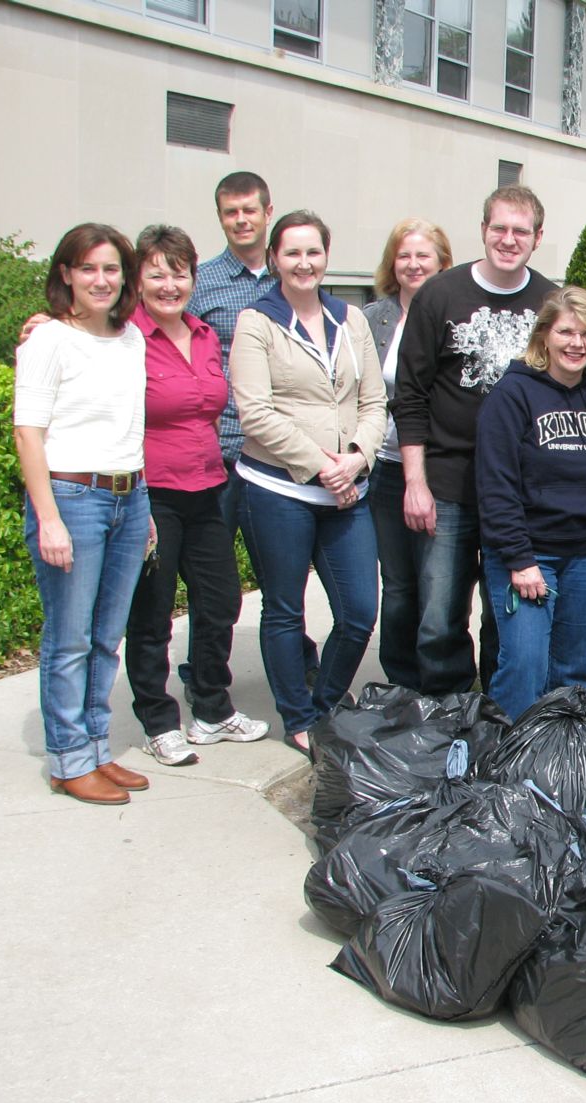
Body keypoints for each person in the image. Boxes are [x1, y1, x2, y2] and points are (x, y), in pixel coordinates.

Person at [229, 211, 386, 755]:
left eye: (313, 252)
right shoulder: (257, 322)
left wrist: (357, 458)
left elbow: (373, 402)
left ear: (326, 256)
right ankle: (297, 717)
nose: (303, 263)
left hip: (348, 491)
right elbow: (256, 413)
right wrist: (324, 465)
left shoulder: (352, 320)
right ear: (275, 258)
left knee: (360, 611)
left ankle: (324, 705)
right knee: (284, 609)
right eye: (292, 253)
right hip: (279, 491)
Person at [393, 186, 556, 697]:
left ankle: (496, 714)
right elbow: (411, 396)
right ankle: (446, 713)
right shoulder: (439, 295)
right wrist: (414, 482)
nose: (508, 240)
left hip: (519, 490)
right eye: (499, 228)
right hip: (448, 483)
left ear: (537, 238)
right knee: (441, 615)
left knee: (505, 613)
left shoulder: (550, 302)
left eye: (520, 231)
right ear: (483, 228)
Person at [14, 224, 152, 804]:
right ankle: (68, 760)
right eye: (89, 268)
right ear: (66, 274)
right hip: (73, 499)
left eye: (112, 269)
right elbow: (28, 432)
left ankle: (95, 747)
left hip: (129, 494)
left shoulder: (130, 339)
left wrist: (141, 509)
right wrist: (47, 518)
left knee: (105, 636)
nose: (102, 280)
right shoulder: (47, 341)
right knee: (69, 639)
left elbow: (130, 426)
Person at [123, 225, 269, 766]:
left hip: (209, 483)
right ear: (138, 280)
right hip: (152, 492)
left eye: (178, 272)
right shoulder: (125, 338)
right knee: (153, 614)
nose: (168, 284)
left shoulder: (205, 334)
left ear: (192, 278)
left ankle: (211, 705)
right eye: (156, 273)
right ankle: (158, 721)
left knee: (221, 601)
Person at [185, 171, 320, 680]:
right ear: (221, 218)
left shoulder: (296, 277)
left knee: (282, 579)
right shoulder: (201, 283)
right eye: (230, 212)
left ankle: (299, 670)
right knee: (212, 584)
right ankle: (207, 679)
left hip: (281, 459)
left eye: (250, 210)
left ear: (268, 213)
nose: (241, 220)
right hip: (222, 454)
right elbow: (153, 330)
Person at [475, 287, 586, 721]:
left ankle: (562, 768)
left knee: (574, 671)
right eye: (566, 332)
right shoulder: (511, 396)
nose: (576, 343)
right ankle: (506, 763)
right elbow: (496, 485)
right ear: (544, 336)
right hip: (529, 554)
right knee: (525, 664)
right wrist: (520, 560)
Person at [361, 218, 455, 690]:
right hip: (386, 468)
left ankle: (439, 684)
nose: (413, 264)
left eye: (424, 256)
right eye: (404, 255)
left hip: (440, 471)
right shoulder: (371, 319)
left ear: (443, 263)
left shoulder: (455, 315)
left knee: (439, 587)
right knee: (397, 587)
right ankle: (400, 685)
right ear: (391, 263)